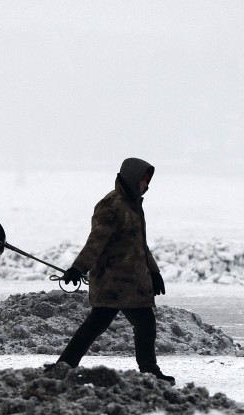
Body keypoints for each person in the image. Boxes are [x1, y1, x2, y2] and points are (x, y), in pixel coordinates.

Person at [57, 157, 174, 383]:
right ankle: (149, 372)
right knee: (107, 324)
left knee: (134, 323)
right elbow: (96, 242)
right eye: (143, 180)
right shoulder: (111, 206)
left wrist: (154, 272)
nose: (146, 185)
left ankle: (63, 367)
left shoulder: (134, 205)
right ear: (131, 178)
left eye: (148, 180)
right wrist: (78, 268)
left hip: (132, 284)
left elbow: (140, 244)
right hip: (112, 283)